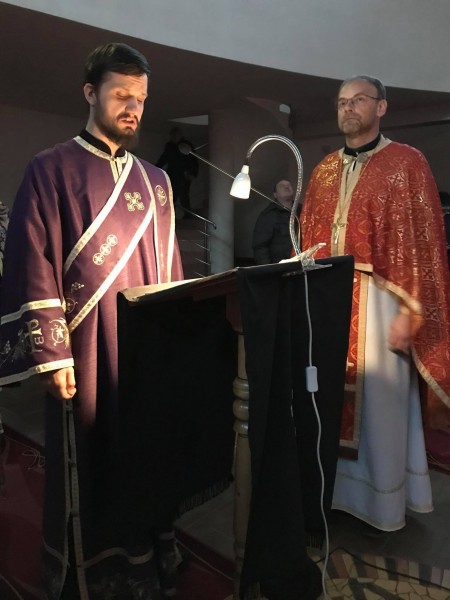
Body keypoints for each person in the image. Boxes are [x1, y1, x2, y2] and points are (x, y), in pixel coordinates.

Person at [0, 43, 184, 599]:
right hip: (83, 350)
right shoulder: (50, 169)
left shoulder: (157, 181)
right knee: (89, 458)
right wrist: (52, 352)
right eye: (121, 94)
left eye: (141, 99)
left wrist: (175, 342)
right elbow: (31, 261)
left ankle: (148, 558)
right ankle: (89, 574)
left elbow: (171, 268)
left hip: (144, 350)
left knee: (144, 459)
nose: (133, 108)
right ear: (90, 93)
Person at [300, 75, 450, 533]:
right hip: (329, 302)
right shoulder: (324, 170)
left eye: (358, 100)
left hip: (382, 305)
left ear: (381, 107)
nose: (348, 108)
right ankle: (332, 495)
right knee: (328, 400)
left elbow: (424, 245)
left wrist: (413, 311)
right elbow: (308, 238)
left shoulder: (407, 163)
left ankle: (383, 504)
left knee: (381, 409)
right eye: (342, 102)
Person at [155, 127, 199, 214]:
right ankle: (171, 215)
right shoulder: (170, 146)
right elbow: (163, 159)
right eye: (173, 135)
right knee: (172, 195)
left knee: (183, 195)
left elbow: (193, 160)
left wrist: (192, 173)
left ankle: (187, 215)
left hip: (184, 174)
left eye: (176, 135)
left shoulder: (185, 145)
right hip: (172, 174)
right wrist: (155, 168)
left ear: (180, 135)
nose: (174, 137)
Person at [252, 179, 295, 264]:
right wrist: (267, 268)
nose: (287, 187)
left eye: (289, 185)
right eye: (282, 186)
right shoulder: (268, 215)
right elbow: (260, 246)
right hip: (280, 266)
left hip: (302, 263)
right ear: (275, 194)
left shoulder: (302, 210)